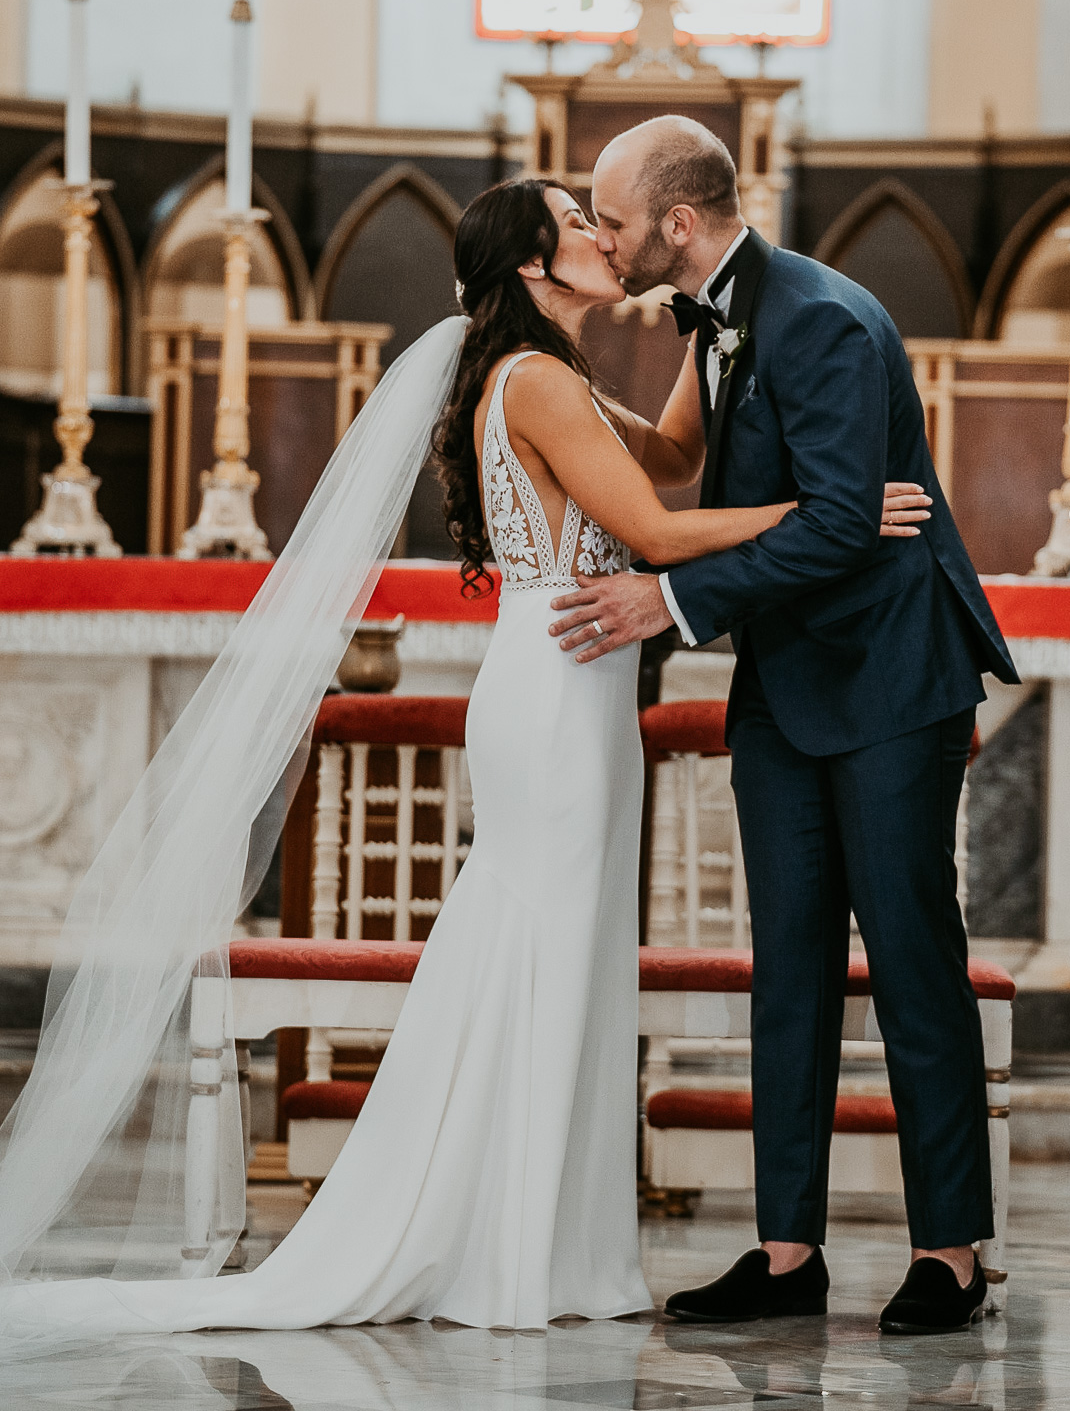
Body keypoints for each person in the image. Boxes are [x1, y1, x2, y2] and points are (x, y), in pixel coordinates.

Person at [0, 178, 919, 1346]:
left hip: (569, 689)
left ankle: (549, 1241)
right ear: (536, 266)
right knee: (534, 951)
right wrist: (825, 510)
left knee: (562, 954)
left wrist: (703, 318)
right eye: (578, 223)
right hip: (553, 695)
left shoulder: (552, 375)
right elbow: (656, 533)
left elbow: (680, 457)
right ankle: (502, 1251)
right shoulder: (532, 381)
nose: (600, 232)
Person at [549, 116, 1020, 1335]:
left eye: (611, 215)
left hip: (890, 686)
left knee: (914, 963)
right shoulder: (712, 319)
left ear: (680, 225)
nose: (600, 234)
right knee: (791, 974)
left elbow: (835, 524)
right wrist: (539, 368)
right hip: (786, 688)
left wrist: (670, 597)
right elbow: (720, 476)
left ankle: (951, 1257)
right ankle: (786, 1252)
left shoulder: (818, 317)